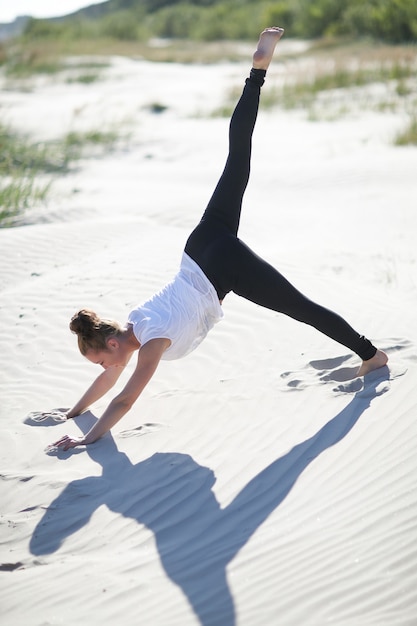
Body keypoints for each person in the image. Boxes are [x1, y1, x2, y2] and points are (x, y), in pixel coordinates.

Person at [53, 27, 388, 451]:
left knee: (300, 307)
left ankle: (372, 355)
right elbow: (109, 378)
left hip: (218, 267)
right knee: (238, 158)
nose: (104, 367)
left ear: (113, 343)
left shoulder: (151, 342)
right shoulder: (134, 322)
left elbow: (124, 399)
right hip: (199, 246)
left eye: (101, 358)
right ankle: (257, 72)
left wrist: (87, 442)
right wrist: (73, 414)